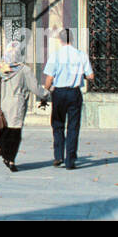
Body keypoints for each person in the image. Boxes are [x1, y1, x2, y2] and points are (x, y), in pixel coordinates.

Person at [0, 40, 50, 172]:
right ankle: (11, 159)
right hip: (17, 106)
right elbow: (35, 87)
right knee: (15, 133)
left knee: (4, 130)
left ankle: (5, 153)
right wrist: (46, 94)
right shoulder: (24, 70)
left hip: (1, 105)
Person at [42, 27, 95, 170]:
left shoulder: (55, 56)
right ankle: (70, 159)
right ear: (72, 39)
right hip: (74, 93)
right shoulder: (81, 55)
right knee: (73, 126)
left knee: (58, 124)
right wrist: (80, 76)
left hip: (59, 93)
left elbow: (49, 79)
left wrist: (46, 91)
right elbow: (91, 76)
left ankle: (58, 156)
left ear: (60, 40)